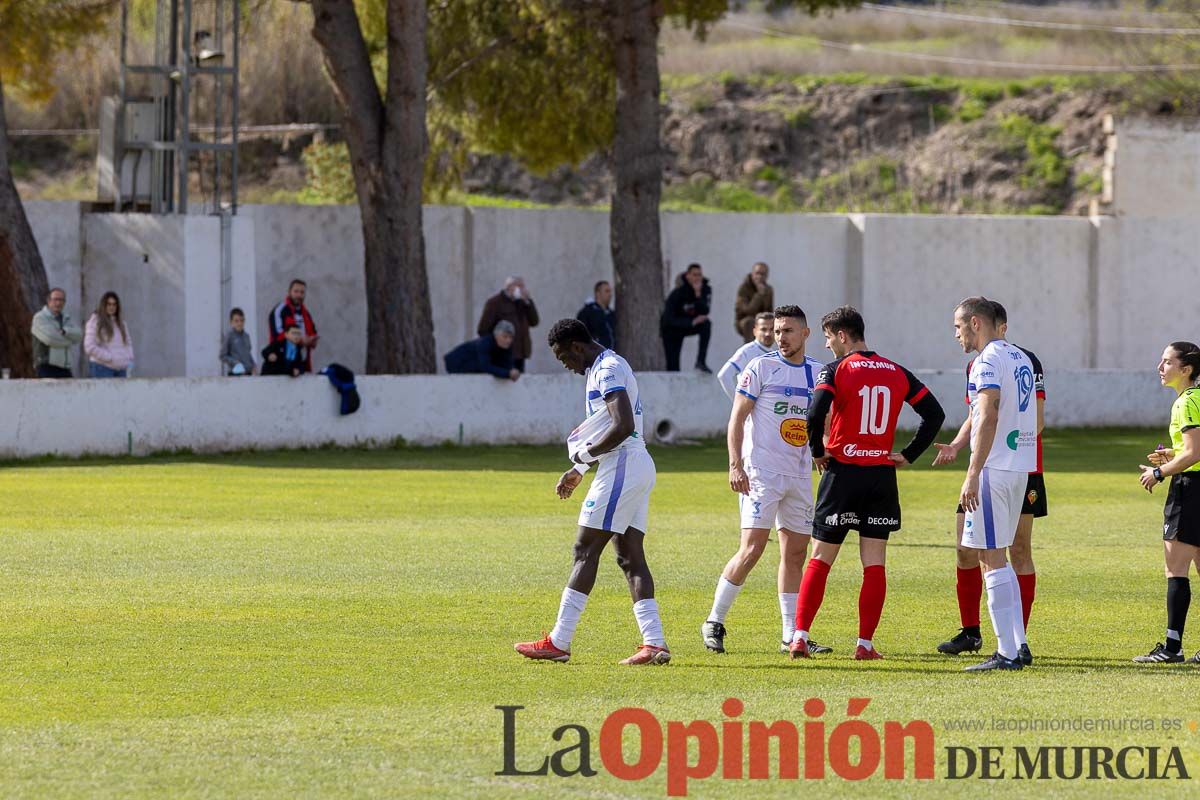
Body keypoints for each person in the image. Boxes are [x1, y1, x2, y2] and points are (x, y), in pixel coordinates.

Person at [789, 306, 945, 662]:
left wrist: (817, 451)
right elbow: (934, 414)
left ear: (842, 335)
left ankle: (799, 637)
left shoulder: (835, 370)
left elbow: (814, 415)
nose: (827, 345)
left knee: (820, 560)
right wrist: (908, 454)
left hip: (842, 472)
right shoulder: (896, 371)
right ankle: (865, 644)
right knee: (874, 563)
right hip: (879, 476)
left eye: (828, 337)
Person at [514, 319, 669, 666]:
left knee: (585, 549)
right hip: (634, 465)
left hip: (624, 465)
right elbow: (609, 426)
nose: (566, 365)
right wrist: (579, 469)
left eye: (563, 357)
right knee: (629, 555)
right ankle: (654, 642)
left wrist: (583, 457)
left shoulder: (608, 369)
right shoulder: (604, 367)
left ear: (578, 346)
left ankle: (559, 641)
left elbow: (623, 425)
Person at [701, 306, 833, 656]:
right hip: (761, 472)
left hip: (800, 475)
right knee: (753, 548)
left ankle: (791, 634)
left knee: (795, 554)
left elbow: (827, 421)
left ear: (805, 334)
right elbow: (737, 418)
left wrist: (825, 452)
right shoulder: (761, 367)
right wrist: (735, 465)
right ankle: (714, 620)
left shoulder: (819, 373)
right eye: (777, 331)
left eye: (788, 331)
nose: (781, 337)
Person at [933, 300, 1045, 660]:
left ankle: (1006, 652)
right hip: (1019, 467)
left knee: (991, 557)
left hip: (995, 469)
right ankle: (1018, 644)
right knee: (999, 556)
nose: (956, 334)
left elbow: (988, 413)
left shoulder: (987, 360)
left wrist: (972, 472)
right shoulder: (1021, 358)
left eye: (958, 326)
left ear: (976, 323)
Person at [1133, 342, 1200, 664]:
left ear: (1186, 369)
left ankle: (1172, 648)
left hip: (1190, 490)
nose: (1160, 367)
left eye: (1167, 362)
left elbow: (1193, 454)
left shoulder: (1186, 402)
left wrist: (1160, 472)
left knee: (1176, 570)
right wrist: (1174, 455)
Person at [478, 276, 539, 373]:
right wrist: (496, 347)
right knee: (505, 382)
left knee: (519, 382)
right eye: (519, 286)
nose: (522, 290)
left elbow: (534, 322)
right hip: (502, 353)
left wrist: (528, 302)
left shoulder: (522, 303)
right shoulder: (495, 302)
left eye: (523, 287)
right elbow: (483, 330)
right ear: (509, 287)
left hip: (520, 353)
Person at [660, 263, 712, 373]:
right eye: (694, 275)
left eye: (699, 275)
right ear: (688, 276)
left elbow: (705, 311)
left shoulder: (705, 289)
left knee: (706, 324)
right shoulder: (678, 292)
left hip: (690, 324)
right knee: (673, 366)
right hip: (672, 328)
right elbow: (668, 319)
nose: (697, 278)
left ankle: (700, 361)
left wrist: (698, 294)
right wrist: (691, 322)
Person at [717, 312, 775, 402]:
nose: (768, 333)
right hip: (751, 412)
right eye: (763, 329)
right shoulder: (747, 351)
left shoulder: (774, 354)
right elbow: (724, 375)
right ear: (755, 331)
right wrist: (739, 403)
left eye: (772, 329)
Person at [31, 287, 83, 378]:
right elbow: (50, 339)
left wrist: (65, 332)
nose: (58, 303)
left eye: (61, 300)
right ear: (48, 301)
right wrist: (70, 341)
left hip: (64, 367)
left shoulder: (66, 318)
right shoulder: (39, 317)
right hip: (46, 366)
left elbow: (79, 335)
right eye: (55, 299)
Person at [268, 279, 318, 373]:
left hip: (302, 365)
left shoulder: (306, 314)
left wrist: (312, 341)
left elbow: (313, 334)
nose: (299, 295)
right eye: (296, 291)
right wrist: (300, 340)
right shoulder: (280, 310)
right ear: (289, 292)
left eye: (302, 292)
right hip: (282, 364)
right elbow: (277, 335)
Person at [444, 321, 521, 381]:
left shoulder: (507, 346)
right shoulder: (485, 343)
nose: (508, 340)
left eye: (511, 337)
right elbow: (486, 366)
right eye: (505, 337)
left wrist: (512, 371)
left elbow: (508, 364)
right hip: (456, 363)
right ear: (496, 335)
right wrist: (508, 373)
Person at [83, 291, 134, 378]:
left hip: (121, 369)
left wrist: (128, 358)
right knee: (103, 392)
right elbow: (89, 346)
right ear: (103, 305)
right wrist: (109, 357)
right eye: (109, 304)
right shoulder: (95, 322)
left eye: (114, 304)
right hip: (102, 368)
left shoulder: (121, 323)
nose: (112, 307)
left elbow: (128, 343)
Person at [735, 262, 774, 342]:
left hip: (763, 320)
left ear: (766, 276)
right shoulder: (744, 288)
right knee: (750, 322)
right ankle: (750, 352)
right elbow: (748, 310)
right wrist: (759, 295)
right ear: (752, 274)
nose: (759, 277)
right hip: (744, 321)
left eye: (762, 274)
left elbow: (769, 310)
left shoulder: (768, 289)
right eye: (757, 273)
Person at [576, 280, 616, 351]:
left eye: (610, 291)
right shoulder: (587, 312)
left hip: (611, 356)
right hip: (594, 357)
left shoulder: (611, 314)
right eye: (607, 291)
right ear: (598, 293)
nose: (610, 294)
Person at [220, 308, 256, 376]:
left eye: (241, 320)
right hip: (235, 374)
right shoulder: (229, 336)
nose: (239, 323)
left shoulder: (246, 336)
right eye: (236, 321)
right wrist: (235, 363)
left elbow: (248, 353)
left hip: (248, 373)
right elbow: (222, 355)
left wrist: (253, 365)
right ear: (231, 322)